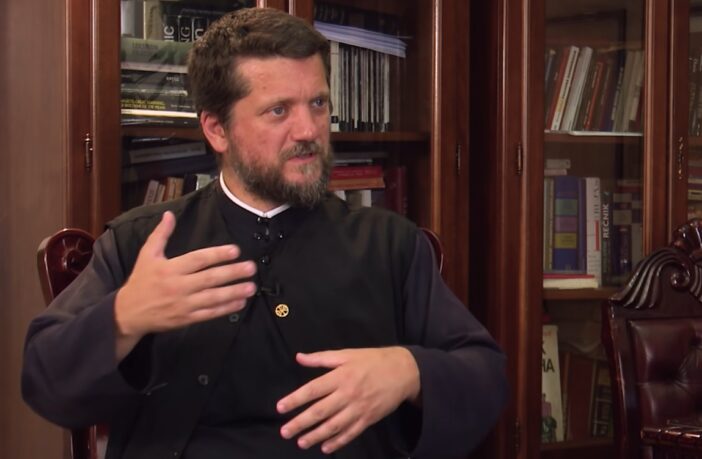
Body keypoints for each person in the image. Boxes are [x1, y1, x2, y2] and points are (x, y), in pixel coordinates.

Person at [22, 7, 508, 459]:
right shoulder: (142, 244)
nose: (308, 130)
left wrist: (408, 371)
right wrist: (125, 316)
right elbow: (45, 381)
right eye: (279, 110)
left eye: (318, 103)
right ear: (217, 129)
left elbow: (485, 376)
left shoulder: (390, 245)